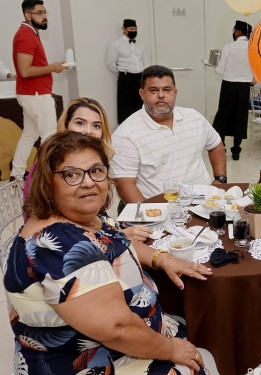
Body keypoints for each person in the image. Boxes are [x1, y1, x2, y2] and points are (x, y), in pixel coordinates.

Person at [4, 131, 212, 375]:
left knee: (196, 329)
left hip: (103, 347)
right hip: (77, 374)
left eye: (96, 171)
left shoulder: (83, 219)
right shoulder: (59, 245)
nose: (88, 181)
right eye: (72, 175)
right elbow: (117, 329)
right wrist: (170, 349)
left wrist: (161, 258)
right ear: (47, 183)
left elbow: (117, 243)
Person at [22, 97, 152, 242]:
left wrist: (118, 233)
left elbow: (97, 218)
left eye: (96, 126)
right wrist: (117, 237)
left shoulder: (98, 163)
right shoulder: (48, 163)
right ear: (65, 125)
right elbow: (41, 220)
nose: (88, 131)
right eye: (80, 123)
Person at [111, 65, 227, 204]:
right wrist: (149, 214)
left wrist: (220, 179)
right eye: (153, 90)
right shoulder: (126, 134)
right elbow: (125, 185)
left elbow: (216, 145)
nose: (161, 95)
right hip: (159, 207)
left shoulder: (194, 117)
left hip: (204, 202)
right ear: (142, 94)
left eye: (167, 90)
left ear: (175, 92)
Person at [10, 0, 66, 181]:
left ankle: (16, 175)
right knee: (50, 136)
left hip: (31, 94)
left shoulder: (30, 33)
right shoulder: (26, 36)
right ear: (28, 15)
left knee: (29, 135)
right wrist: (54, 68)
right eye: (40, 13)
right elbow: (25, 71)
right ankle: (48, 179)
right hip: (36, 95)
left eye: (45, 12)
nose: (44, 16)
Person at [212, 20, 253, 160]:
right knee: (240, 117)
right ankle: (236, 151)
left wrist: (214, 64)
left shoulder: (229, 47)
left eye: (234, 30)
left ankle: (221, 146)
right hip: (244, 87)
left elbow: (219, 71)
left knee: (222, 116)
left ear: (238, 32)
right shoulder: (253, 49)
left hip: (228, 85)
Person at [106, 18, 148, 124]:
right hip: (126, 78)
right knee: (125, 105)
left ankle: (142, 126)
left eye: (135, 29)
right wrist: (122, 74)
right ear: (124, 29)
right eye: (131, 29)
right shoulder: (116, 44)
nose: (134, 31)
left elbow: (145, 62)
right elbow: (110, 63)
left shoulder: (141, 45)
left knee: (141, 103)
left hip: (140, 78)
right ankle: (126, 128)